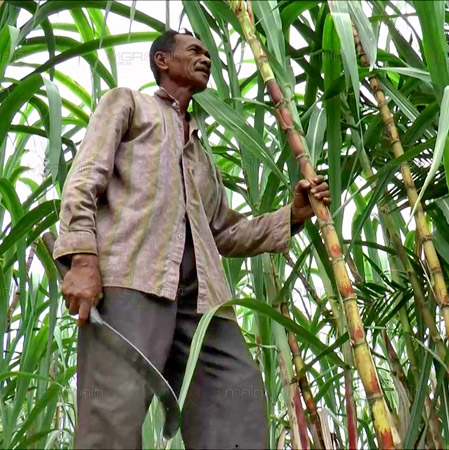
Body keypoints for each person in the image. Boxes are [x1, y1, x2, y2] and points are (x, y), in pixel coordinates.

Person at [53, 29, 331, 449]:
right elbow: (84, 180)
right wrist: (82, 258)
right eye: (194, 51)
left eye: (208, 53)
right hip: (131, 281)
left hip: (202, 302)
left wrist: (292, 215)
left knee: (235, 402)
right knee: (112, 417)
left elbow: (225, 231)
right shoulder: (129, 104)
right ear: (163, 61)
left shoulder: (201, 156)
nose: (206, 58)